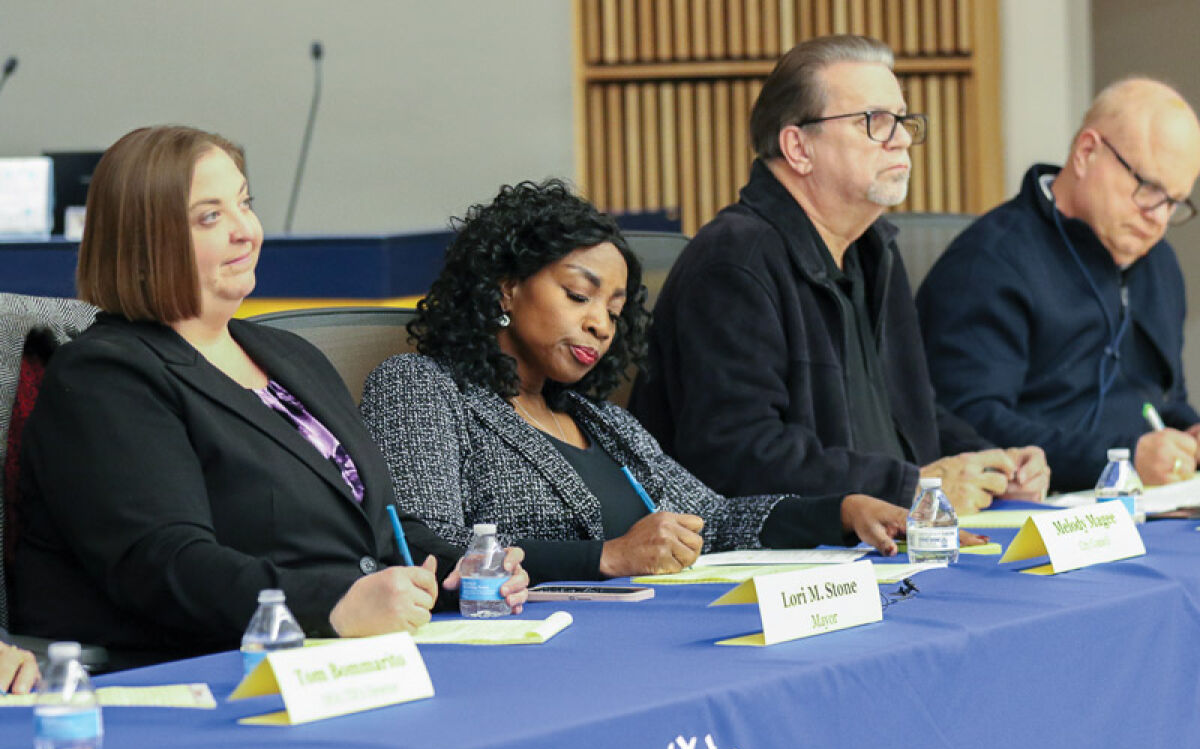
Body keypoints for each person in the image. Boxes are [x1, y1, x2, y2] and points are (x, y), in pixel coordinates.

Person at [11, 126, 528, 668]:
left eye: (245, 204)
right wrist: (334, 606)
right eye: (211, 216)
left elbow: (376, 530)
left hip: (342, 657)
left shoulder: (290, 355)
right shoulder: (107, 373)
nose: (246, 231)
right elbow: (164, 566)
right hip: (196, 671)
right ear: (143, 242)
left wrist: (461, 571)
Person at [360, 179, 971, 585]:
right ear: (505, 286)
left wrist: (840, 510)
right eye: (578, 295)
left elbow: (717, 520)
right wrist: (607, 556)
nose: (599, 323)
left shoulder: (601, 421)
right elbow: (422, 546)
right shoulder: (421, 388)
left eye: (616, 310)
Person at [628, 34, 1049, 514]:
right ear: (798, 147)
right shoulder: (733, 262)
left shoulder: (874, 251)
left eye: (903, 120)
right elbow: (736, 455)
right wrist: (909, 486)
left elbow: (912, 417)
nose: (903, 138)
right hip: (776, 569)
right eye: (876, 121)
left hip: (875, 547)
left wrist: (990, 465)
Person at [917, 78, 1200, 492]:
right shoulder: (990, 260)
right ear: (1087, 153)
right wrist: (1124, 458)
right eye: (1149, 189)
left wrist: (1189, 432)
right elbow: (964, 421)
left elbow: (1164, 400)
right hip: (1039, 508)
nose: (1158, 217)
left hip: (1148, 504)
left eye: (1174, 202)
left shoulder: (1158, 264)